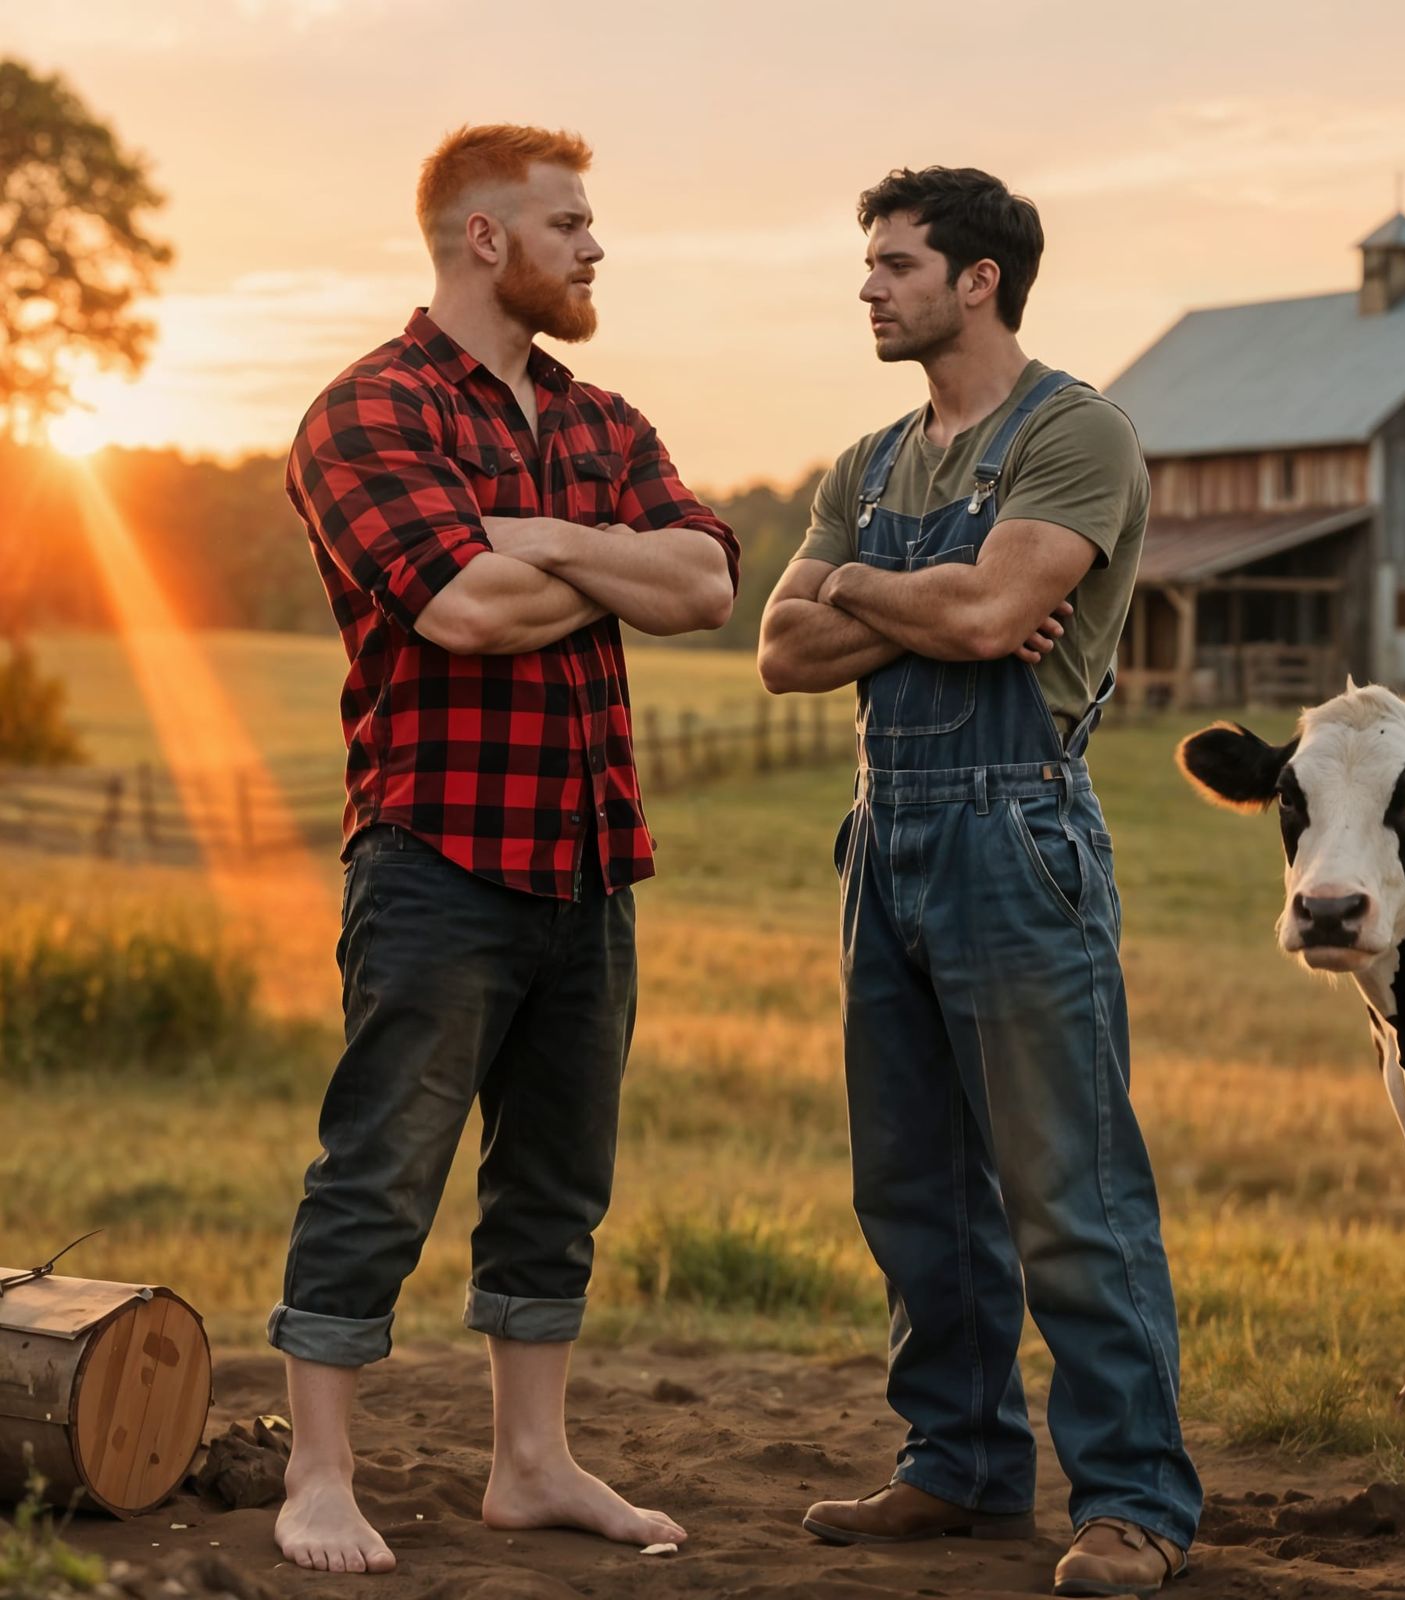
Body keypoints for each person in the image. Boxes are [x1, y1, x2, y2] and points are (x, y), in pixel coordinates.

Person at [270, 123, 738, 1575]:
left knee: (556, 1181)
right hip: (436, 856)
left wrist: (532, 532)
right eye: (569, 223)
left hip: (589, 860)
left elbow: (709, 584)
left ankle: (531, 1464)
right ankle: (317, 1475)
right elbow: (462, 612)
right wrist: (607, 563)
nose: (596, 247)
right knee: (381, 1166)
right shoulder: (368, 412)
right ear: (486, 238)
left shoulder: (602, 422)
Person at [757, 166, 1201, 1598]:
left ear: (978, 280)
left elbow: (998, 613)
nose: (869, 288)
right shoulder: (868, 463)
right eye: (871, 265)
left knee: (1068, 1188)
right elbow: (781, 651)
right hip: (883, 835)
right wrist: (925, 604)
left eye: (895, 265)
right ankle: (959, 1465)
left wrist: (863, 591)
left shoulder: (1074, 433)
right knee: (914, 1189)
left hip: (1018, 830)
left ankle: (1134, 1500)